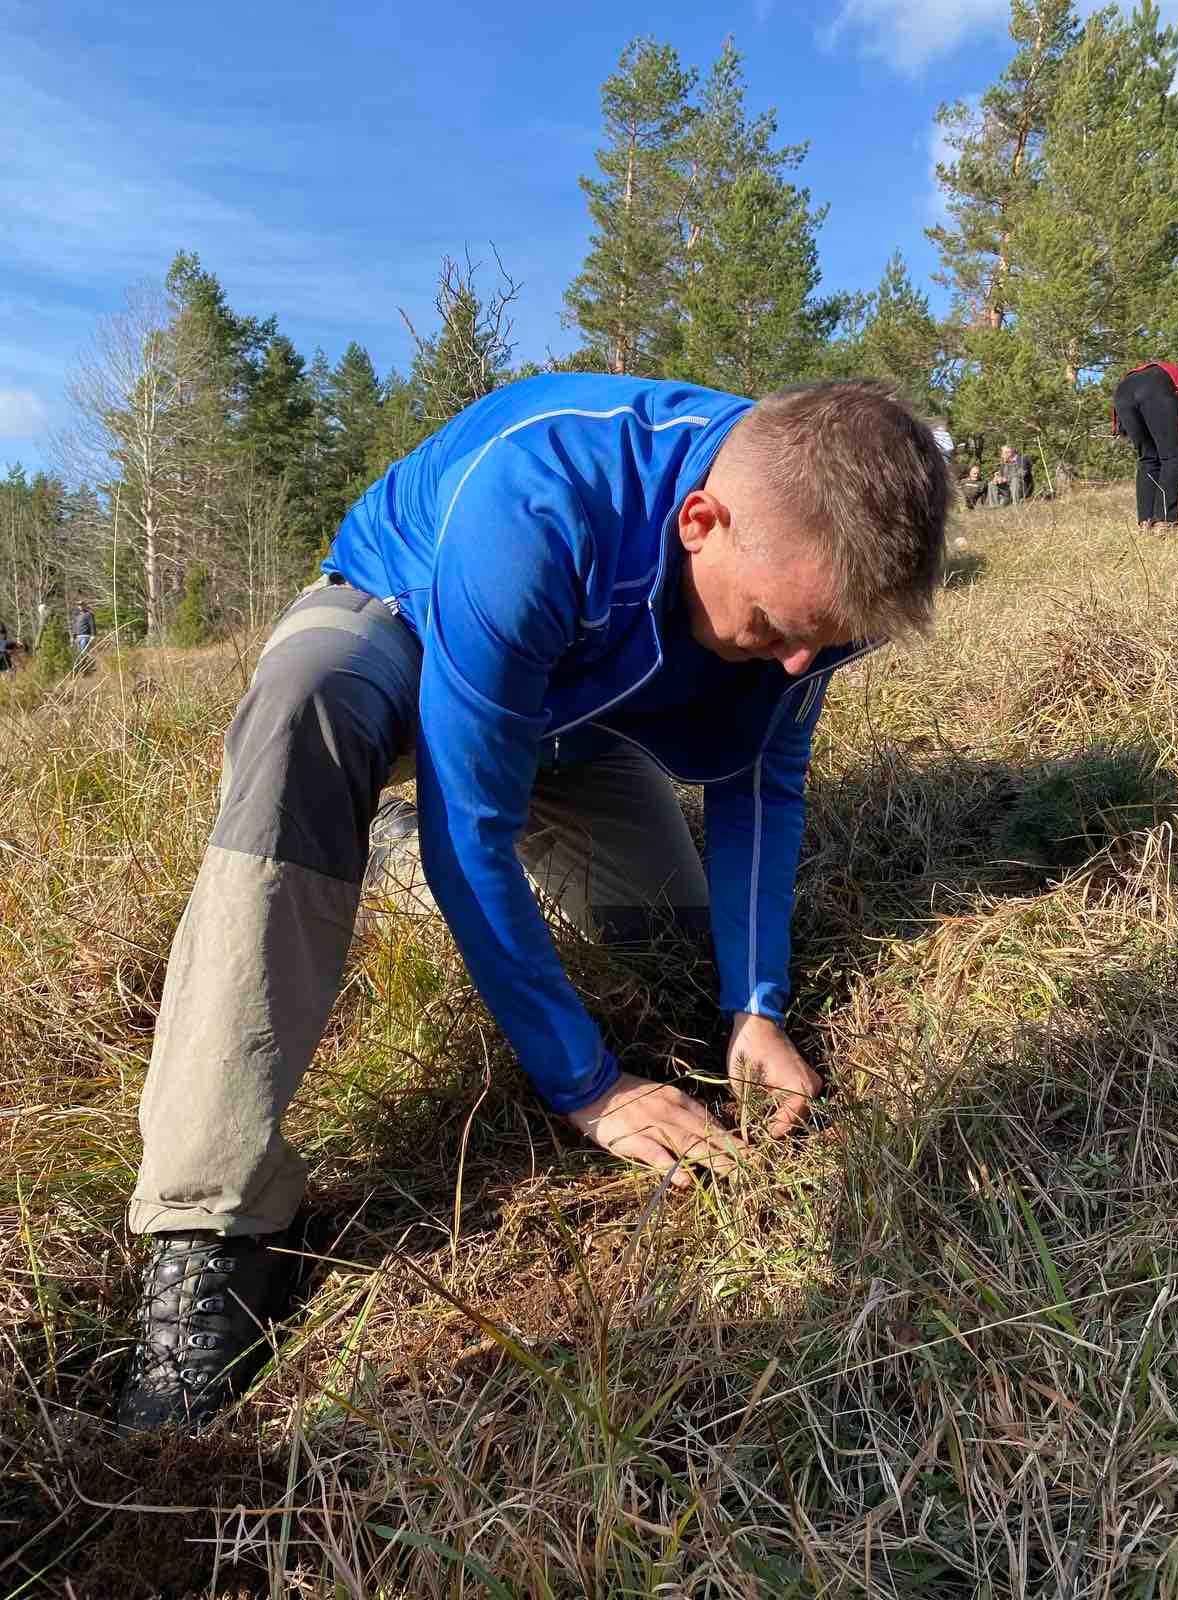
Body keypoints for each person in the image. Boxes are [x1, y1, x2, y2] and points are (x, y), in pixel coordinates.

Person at [116, 374, 949, 1432]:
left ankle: (400, 865)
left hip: (572, 716)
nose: (799, 663)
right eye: (779, 629)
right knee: (305, 710)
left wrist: (756, 1007)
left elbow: (759, 785)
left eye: (826, 644)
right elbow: (476, 822)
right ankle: (211, 1222)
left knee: (668, 944)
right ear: (701, 523)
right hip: (410, 626)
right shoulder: (543, 498)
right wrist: (591, 1087)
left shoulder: (802, 563)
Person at [1112, 360, 1178, 528]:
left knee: (1148, 458)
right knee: (1174, 457)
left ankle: (1146, 524)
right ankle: (1164, 523)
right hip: (1157, 385)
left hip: (1124, 389)